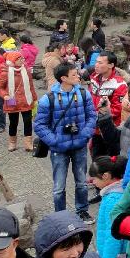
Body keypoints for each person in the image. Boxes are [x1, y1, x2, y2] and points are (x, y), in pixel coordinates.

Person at [34, 62, 97, 223]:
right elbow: (39, 125)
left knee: (81, 182)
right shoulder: (48, 99)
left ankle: (82, 211)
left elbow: (92, 116)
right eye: (74, 74)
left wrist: (85, 134)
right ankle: (60, 216)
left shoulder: (84, 94)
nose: (78, 76)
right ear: (63, 78)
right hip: (58, 148)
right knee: (58, 186)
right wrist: (54, 140)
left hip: (79, 145)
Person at [88, 155, 128, 258]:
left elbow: (113, 237)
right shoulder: (120, 193)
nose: (93, 182)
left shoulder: (112, 200)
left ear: (105, 176)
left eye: (94, 179)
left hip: (115, 256)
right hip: (120, 253)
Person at [88, 51, 129, 157]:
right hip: (95, 130)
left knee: (110, 162)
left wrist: (98, 117)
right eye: (96, 62)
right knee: (96, 162)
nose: (96, 65)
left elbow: (118, 109)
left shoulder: (119, 84)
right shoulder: (94, 78)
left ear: (111, 65)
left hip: (110, 129)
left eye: (100, 63)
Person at [0, 51, 37, 152]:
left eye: (22, 58)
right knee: (13, 122)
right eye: (20, 59)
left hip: (26, 99)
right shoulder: (6, 72)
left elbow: (31, 85)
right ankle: (12, 142)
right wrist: (5, 95)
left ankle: (28, 143)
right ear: (13, 61)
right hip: (11, 100)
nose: (23, 60)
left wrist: (34, 98)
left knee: (27, 122)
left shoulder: (26, 70)